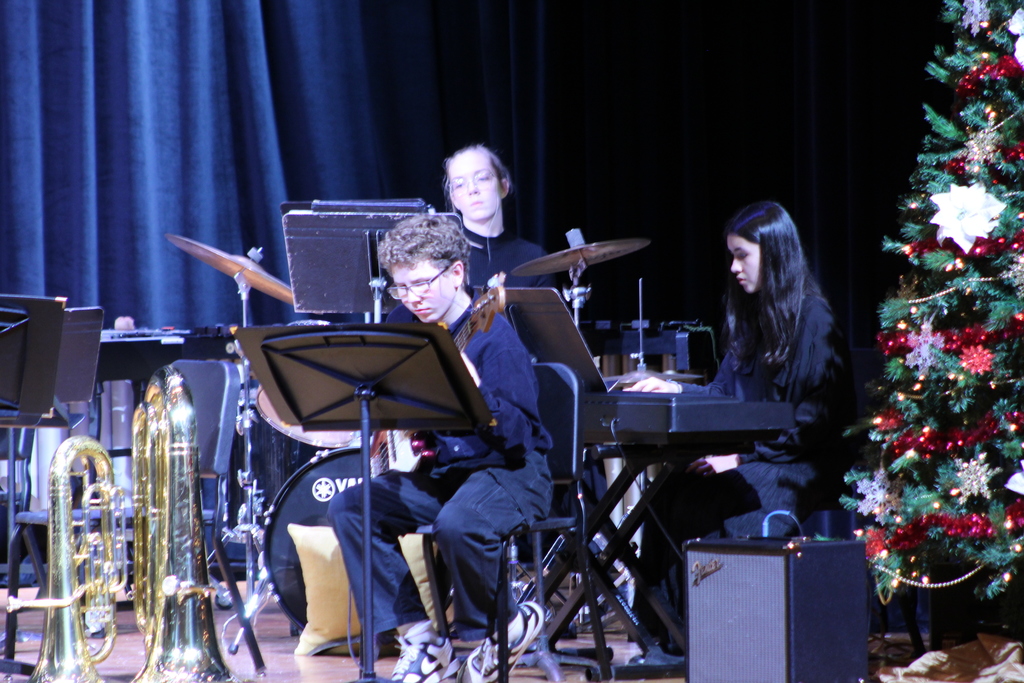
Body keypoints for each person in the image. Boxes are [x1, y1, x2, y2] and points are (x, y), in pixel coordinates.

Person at [328, 213, 553, 683]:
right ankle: (421, 638)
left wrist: (477, 394)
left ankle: (502, 627)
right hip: (446, 472)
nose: (412, 298)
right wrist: (382, 421)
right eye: (401, 287)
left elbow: (519, 436)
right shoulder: (405, 324)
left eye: (421, 284)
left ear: (456, 273)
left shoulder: (495, 339)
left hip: (512, 471)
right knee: (352, 506)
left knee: (460, 523)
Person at [626, 201, 857, 640]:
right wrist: (674, 390)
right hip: (758, 455)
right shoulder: (751, 317)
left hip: (803, 462)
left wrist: (740, 458)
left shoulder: (814, 319)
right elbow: (723, 395)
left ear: (774, 254)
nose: (733, 267)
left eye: (742, 255)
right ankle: (663, 632)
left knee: (721, 502)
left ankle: (719, 636)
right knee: (669, 493)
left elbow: (814, 423)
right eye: (731, 256)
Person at [443, 144, 556, 289]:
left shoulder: (534, 258)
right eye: (459, 184)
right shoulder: (442, 258)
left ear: (503, 187)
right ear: (454, 199)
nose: (472, 189)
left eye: (482, 178)